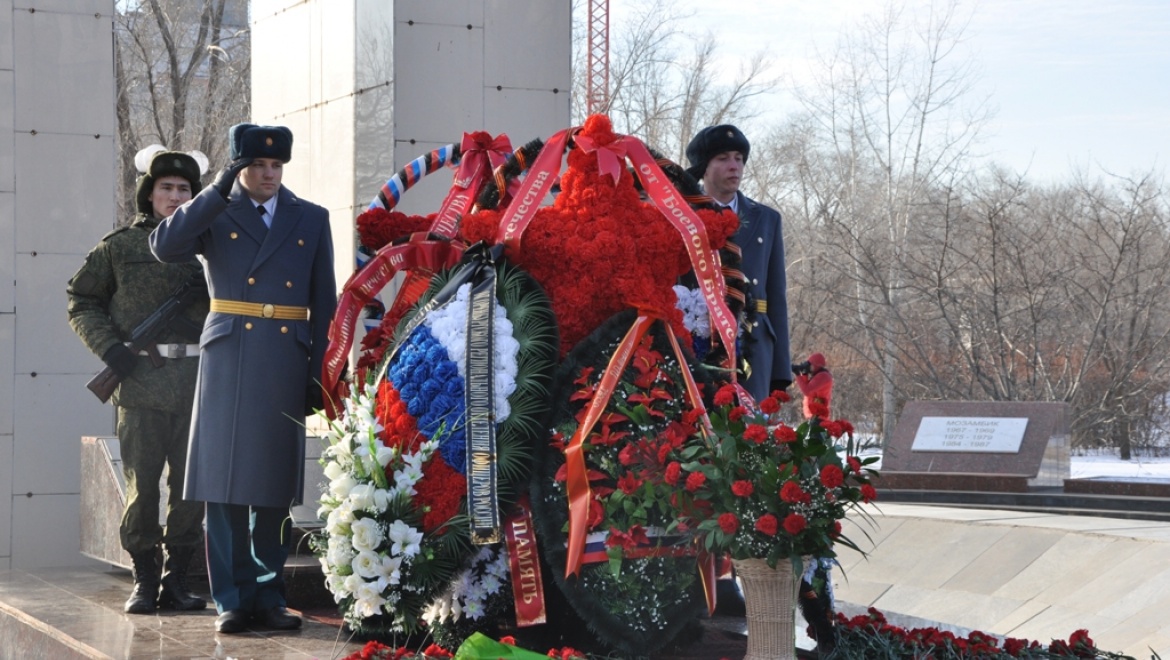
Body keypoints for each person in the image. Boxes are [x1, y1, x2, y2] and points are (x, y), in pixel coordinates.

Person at [150, 124, 337, 634]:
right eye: (257, 165)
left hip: (285, 356)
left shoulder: (311, 217)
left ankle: (269, 595)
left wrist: (320, 373)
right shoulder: (216, 210)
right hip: (230, 355)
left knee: (274, 483)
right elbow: (165, 245)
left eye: (276, 165)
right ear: (239, 168)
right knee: (225, 481)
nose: (269, 174)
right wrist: (215, 190)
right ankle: (231, 599)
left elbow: (325, 302)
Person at [67, 146, 210, 614]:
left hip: (199, 384)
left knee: (191, 490)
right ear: (149, 194)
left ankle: (177, 581)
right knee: (142, 488)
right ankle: (144, 579)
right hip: (141, 384)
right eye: (166, 188)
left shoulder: (210, 246)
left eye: (184, 189)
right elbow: (81, 299)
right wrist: (109, 348)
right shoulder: (120, 247)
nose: (175, 196)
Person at [685, 124, 792, 402]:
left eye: (739, 158)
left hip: (753, 344)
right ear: (703, 168)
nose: (734, 166)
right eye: (723, 159)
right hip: (696, 340)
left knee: (750, 425)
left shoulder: (766, 219)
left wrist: (781, 370)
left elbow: (776, 296)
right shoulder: (681, 215)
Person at [794, 352, 833, 419]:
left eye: (810, 365)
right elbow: (806, 385)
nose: (809, 367)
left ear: (815, 365)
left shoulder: (823, 376)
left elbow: (806, 391)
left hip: (818, 415)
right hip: (812, 414)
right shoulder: (818, 375)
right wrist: (804, 373)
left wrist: (797, 374)